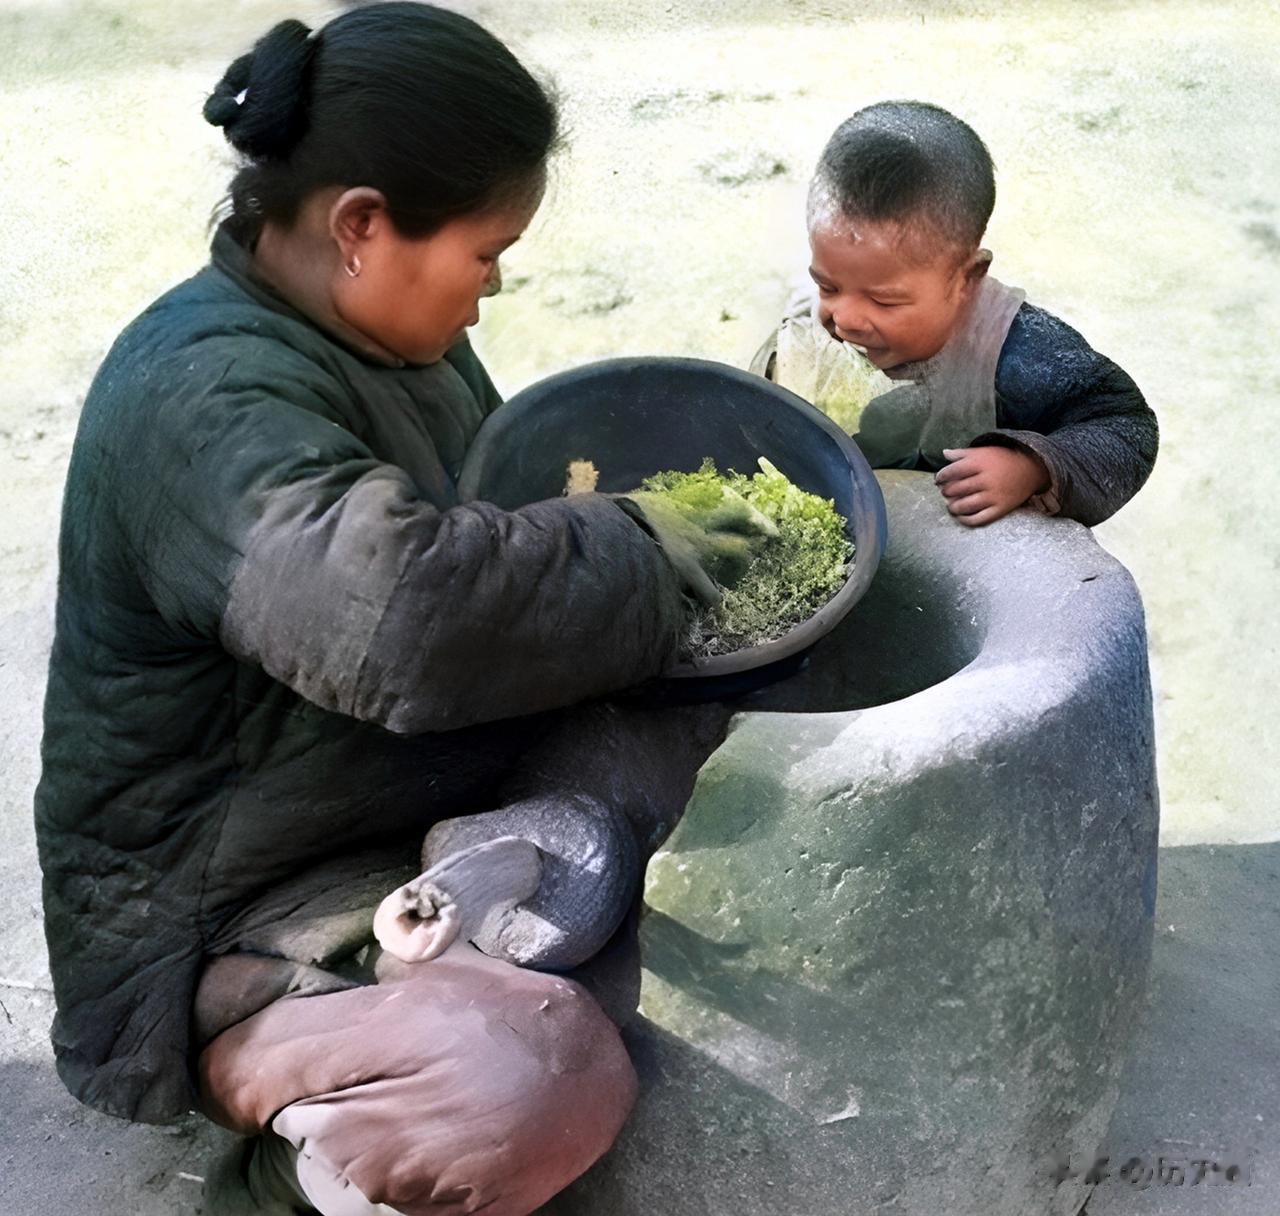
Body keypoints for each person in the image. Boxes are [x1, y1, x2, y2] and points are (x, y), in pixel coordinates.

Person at [32, 6, 770, 1213]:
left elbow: (499, 538)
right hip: (239, 907)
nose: (491, 290)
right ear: (361, 225)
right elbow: (401, 619)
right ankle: (302, 1151)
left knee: (719, 733)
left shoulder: (383, 338)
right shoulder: (201, 393)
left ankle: (437, 979)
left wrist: (643, 532)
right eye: (485, 254)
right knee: (535, 1073)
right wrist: (642, 546)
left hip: (399, 801)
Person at [750, 100, 1158, 527]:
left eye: (884, 301)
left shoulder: (1018, 349)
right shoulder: (803, 333)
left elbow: (1126, 426)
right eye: (827, 286)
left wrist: (1031, 467)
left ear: (967, 280)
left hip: (965, 552)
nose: (845, 318)